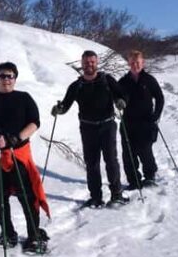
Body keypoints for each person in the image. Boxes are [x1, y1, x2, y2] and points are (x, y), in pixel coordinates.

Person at [0, 62, 51, 253]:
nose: (6, 80)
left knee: (26, 196)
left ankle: (34, 235)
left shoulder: (24, 98)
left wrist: (15, 138)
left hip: (18, 154)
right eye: (2, 76)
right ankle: (8, 233)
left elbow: (35, 122)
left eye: (10, 76)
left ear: (15, 78)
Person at [51, 50, 129, 208]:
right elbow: (65, 105)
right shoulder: (76, 85)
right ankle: (95, 197)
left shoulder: (107, 80)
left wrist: (121, 101)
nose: (89, 65)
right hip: (87, 128)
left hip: (107, 125)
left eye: (92, 62)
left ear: (97, 62)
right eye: (86, 62)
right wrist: (59, 109)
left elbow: (122, 95)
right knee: (92, 163)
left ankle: (116, 194)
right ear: (82, 64)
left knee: (111, 161)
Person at [117, 50, 165, 189]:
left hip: (146, 122)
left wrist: (156, 115)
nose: (135, 65)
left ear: (142, 63)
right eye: (132, 62)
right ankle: (134, 180)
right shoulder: (123, 81)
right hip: (128, 123)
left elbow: (160, 98)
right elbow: (116, 97)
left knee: (145, 150)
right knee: (128, 154)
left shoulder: (149, 80)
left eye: (137, 62)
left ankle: (150, 176)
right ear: (128, 63)